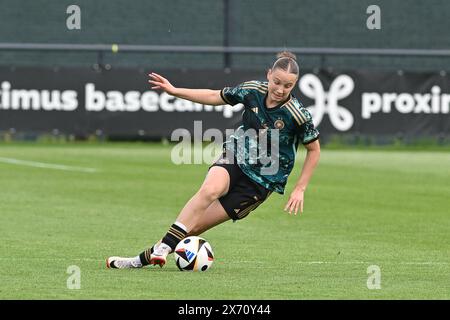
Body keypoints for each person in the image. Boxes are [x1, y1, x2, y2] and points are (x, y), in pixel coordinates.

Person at [106, 51, 320, 269]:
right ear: (268, 75)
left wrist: (300, 188)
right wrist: (174, 90)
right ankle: (162, 249)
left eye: (288, 86)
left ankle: (139, 260)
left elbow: (314, 149)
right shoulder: (252, 90)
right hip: (237, 154)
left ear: (295, 85)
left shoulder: (298, 114)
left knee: (195, 228)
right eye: (277, 82)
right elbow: (213, 96)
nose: (280, 90)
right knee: (210, 190)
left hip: (262, 181)